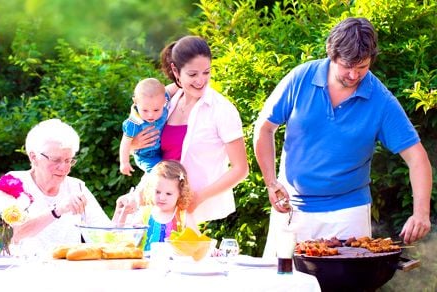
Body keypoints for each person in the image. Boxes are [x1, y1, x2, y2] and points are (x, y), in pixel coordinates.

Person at [253, 17, 432, 257]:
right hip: (292, 210)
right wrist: (271, 183)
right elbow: (264, 128)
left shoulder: (381, 100)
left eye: (362, 67)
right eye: (347, 65)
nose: (354, 74)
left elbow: (417, 158)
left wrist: (421, 213)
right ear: (331, 54)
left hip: (349, 214)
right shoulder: (300, 78)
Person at [128, 36, 249, 224]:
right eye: (192, 74)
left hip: (192, 210)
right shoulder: (167, 101)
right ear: (176, 71)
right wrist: (133, 144)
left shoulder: (221, 109)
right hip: (155, 200)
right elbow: (138, 110)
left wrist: (199, 197)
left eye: (206, 72)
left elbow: (241, 169)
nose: (201, 81)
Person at [9, 119, 115, 254]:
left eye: (68, 160)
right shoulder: (14, 184)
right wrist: (57, 210)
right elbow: (9, 236)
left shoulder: (76, 187)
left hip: (68, 270)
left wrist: (122, 213)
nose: (64, 167)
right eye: (56, 160)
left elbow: (105, 238)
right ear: (34, 157)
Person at [114, 160, 197, 251]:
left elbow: (199, 242)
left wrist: (211, 250)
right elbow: (124, 239)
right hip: (145, 263)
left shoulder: (183, 216)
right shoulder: (144, 214)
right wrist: (123, 215)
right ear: (150, 189)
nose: (162, 197)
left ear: (181, 193)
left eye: (168, 194)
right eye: (157, 192)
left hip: (173, 264)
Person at [120, 78, 169, 175]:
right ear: (135, 102)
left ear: (164, 101)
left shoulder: (161, 101)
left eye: (156, 110)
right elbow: (125, 143)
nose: (151, 115)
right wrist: (124, 162)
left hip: (162, 150)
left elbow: (176, 88)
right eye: (145, 110)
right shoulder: (133, 122)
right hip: (146, 156)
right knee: (158, 173)